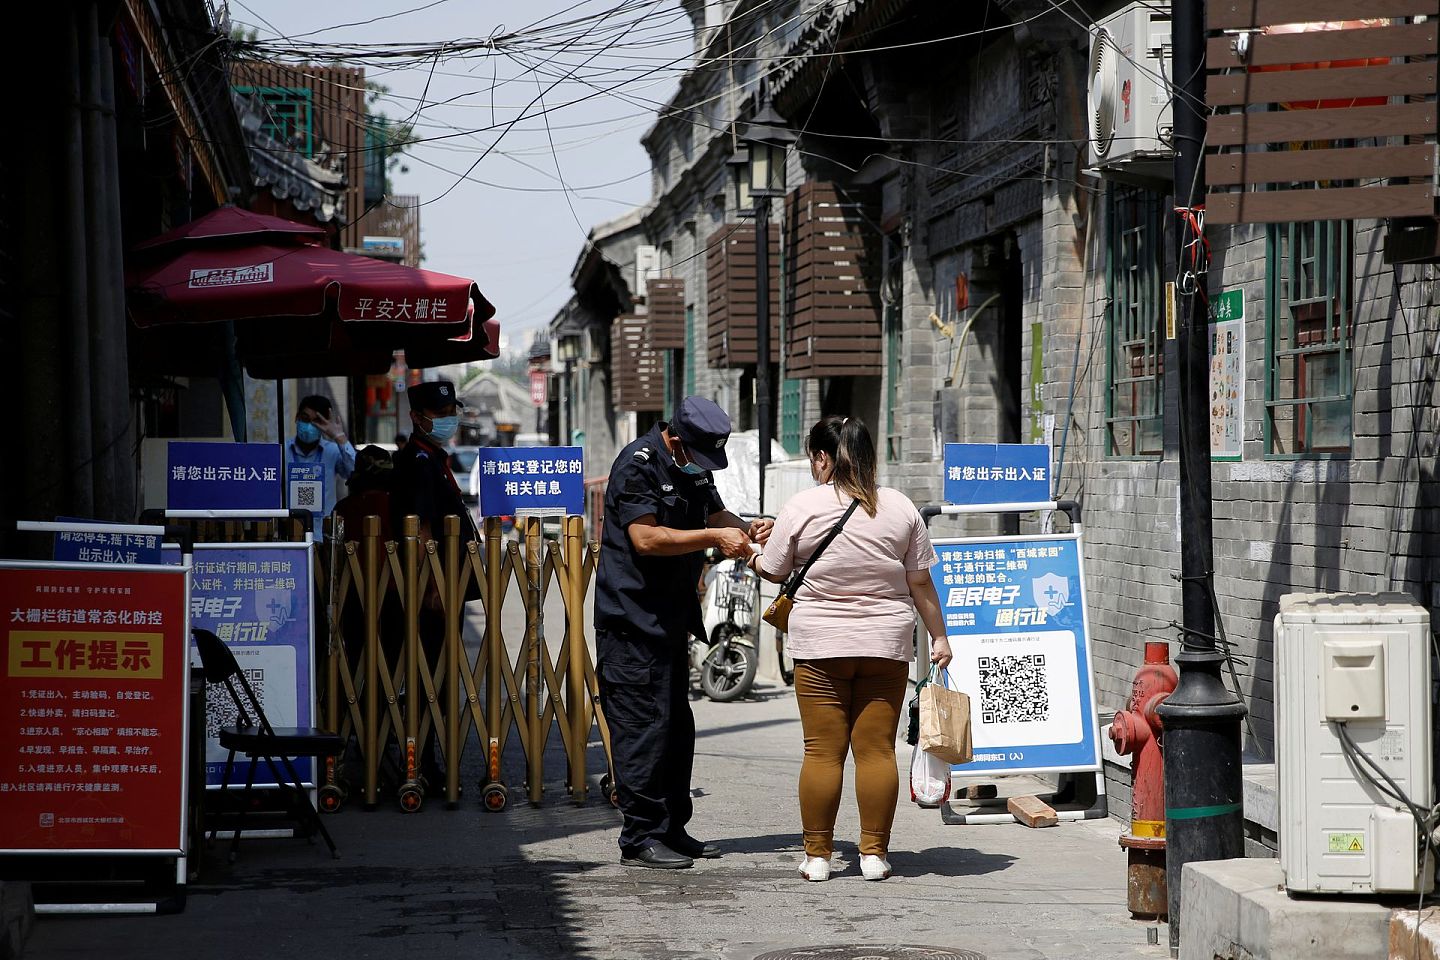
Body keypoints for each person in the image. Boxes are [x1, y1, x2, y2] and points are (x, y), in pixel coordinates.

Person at [748, 415, 952, 883]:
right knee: (877, 751)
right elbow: (920, 583)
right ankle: (874, 855)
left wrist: (749, 553)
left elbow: (775, 569)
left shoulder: (802, 506)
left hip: (820, 646)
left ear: (823, 457)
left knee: (822, 752)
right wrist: (939, 638)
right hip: (886, 645)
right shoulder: (901, 509)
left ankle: (818, 857)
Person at [595, 396, 772, 869]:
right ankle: (639, 837)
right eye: (699, 452)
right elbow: (646, 538)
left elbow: (714, 515)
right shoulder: (638, 465)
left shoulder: (693, 467)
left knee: (676, 730)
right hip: (631, 622)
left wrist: (749, 530)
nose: (703, 462)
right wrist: (716, 540)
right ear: (676, 437)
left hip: (672, 621)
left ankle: (672, 827)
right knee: (641, 731)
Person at [389, 380, 474, 792]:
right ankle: (421, 762)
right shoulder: (419, 462)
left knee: (438, 679)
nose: (447, 421)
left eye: (450, 413)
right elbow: (420, 530)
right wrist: (431, 589)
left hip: (445, 585)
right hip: (431, 593)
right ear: (417, 418)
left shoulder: (435, 457)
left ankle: (429, 759)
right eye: (439, 416)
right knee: (428, 678)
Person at [285, 395, 356, 539]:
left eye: (316, 421)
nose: (309, 426)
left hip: (323, 536)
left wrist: (339, 437)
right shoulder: (281, 452)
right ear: (296, 417)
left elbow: (354, 472)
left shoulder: (333, 451)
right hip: (287, 535)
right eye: (305, 419)